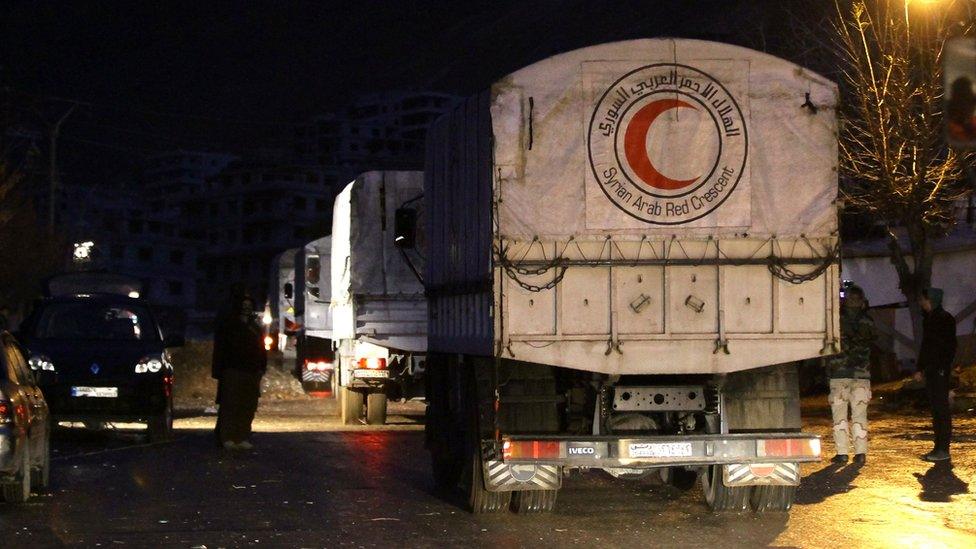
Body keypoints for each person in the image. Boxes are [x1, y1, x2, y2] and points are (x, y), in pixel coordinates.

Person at [212, 287, 267, 450]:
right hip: (232, 370)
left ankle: (242, 436)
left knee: (248, 405)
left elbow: (262, 349)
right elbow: (221, 348)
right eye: (244, 305)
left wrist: (261, 368)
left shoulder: (255, 327)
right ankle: (227, 437)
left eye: (249, 306)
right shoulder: (229, 325)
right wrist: (219, 370)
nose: (247, 308)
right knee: (230, 405)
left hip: (251, 371)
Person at [827, 284, 875, 466]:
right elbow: (873, 341)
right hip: (862, 375)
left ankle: (842, 454)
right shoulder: (868, 321)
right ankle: (860, 453)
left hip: (839, 374)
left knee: (839, 416)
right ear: (862, 301)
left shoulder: (836, 320)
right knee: (860, 416)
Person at [914, 288, 957, 462]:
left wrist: (939, 367)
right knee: (937, 410)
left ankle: (942, 449)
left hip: (938, 370)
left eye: (923, 299)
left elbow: (945, 347)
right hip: (934, 370)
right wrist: (922, 367)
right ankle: (938, 447)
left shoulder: (943, 319)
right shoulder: (932, 319)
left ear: (931, 300)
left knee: (941, 410)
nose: (921, 303)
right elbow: (927, 347)